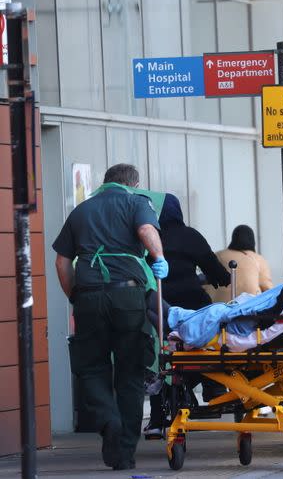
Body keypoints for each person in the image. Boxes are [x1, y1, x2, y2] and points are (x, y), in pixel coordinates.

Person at [52, 163, 169, 471]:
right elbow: (146, 231)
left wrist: (75, 296)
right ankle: (124, 453)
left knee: (91, 369)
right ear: (133, 184)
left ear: (105, 183)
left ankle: (108, 419)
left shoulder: (81, 210)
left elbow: (62, 263)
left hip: (89, 296)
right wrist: (159, 258)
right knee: (130, 372)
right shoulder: (136, 202)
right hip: (128, 296)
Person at [144, 193, 231, 436]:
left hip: (158, 307)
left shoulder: (149, 237)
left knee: (162, 356)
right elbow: (218, 273)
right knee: (209, 343)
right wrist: (214, 278)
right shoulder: (190, 235)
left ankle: (156, 419)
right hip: (192, 307)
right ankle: (214, 385)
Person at [210, 224, 272, 302]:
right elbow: (268, 289)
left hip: (214, 307)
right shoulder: (257, 259)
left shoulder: (217, 255)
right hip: (247, 308)